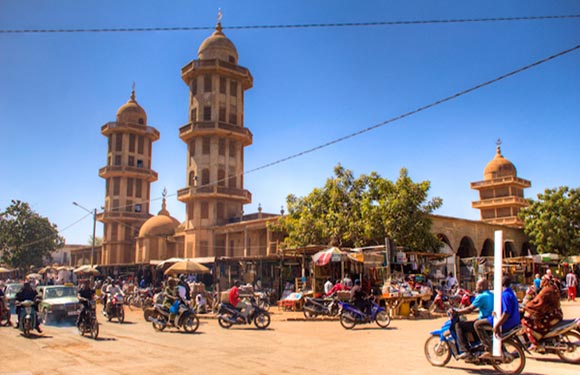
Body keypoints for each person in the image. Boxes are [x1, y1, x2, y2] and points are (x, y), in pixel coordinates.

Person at [474, 275, 520, 358]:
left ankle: (488, 349)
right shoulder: (510, 293)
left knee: (477, 324)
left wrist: (497, 325)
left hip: (508, 322)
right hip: (513, 320)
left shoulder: (505, 295)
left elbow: (506, 313)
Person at [450, 278, 493, 360]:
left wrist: (457, 312)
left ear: (481, 286)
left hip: (484, 322)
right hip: (488, 320)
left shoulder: (481, 297)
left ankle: (465, 351)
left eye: (477, 285)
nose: (476, 287)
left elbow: (470, 309)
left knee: (459, 325)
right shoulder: (491, 295)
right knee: (471, 323)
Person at [521, 274, 563, 350]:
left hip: (551, 315)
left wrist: (527, 306)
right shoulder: (552, 288)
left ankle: (535, 343)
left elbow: (537, 301)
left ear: (545, 281)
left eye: (542, 280)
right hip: (556, 313)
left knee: (526, 322)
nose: (541, 282)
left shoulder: (546, 290)